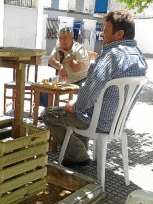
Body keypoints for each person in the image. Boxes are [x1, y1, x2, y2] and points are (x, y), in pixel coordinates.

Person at [41, 10, 148, 166]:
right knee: (81, 110)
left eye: (105, 30)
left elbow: (89, 93)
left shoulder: (112, 55)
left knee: (49, 114)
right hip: (117, 123)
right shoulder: (139, 56)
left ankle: (79, 155)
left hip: (97, 122)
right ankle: (80, 150)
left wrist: (75, 106)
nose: (102, 34)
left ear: (119, 34)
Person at [39, 27, 90, 107]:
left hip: (79, 80)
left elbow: (78, 68)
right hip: (62, 80)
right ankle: (45, 111)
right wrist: (61, 67)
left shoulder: (79, 49)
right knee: (43, 86)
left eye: (65, 38)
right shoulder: (58, 47)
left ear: (72, 38)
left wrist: (70, 61)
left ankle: (76, 112)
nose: (62, 41)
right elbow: (50, 60)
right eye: (60, 38)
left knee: (85, 90)